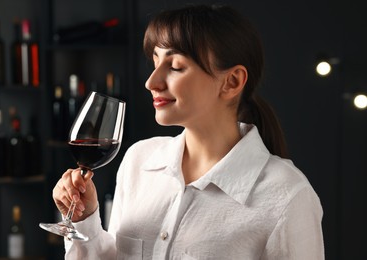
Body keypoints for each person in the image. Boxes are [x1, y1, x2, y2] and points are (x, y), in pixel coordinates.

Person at [53, 4, 325, 259]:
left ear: (232, 81)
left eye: (175, 67)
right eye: (155, 62)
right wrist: (83, 219)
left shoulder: (287, 195)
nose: (151, 82)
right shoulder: (139, 160)